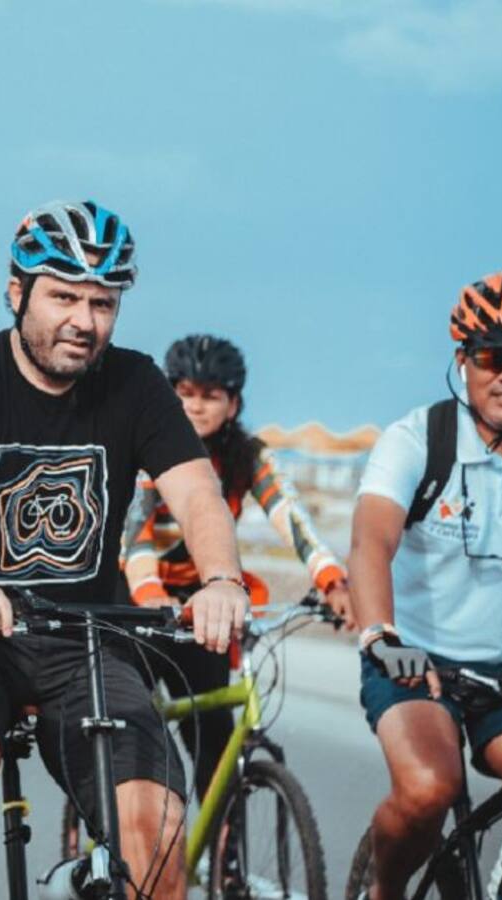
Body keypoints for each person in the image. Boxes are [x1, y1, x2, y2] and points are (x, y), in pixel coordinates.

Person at [0, 200, 250, 899]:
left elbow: (197, 491)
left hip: (86, 637)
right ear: (16, 290)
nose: (84, 321)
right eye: (63, 296)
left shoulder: (136, 381)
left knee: (156, 835)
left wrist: (222, 580)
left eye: (102, 302)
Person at [350, 271, 502, 900]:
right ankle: (384, 890)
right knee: (427, 790)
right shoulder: (418, 439)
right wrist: (383, 639)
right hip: (416, 660)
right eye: (492, 357)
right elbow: (370, 545)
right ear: (463, 361)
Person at [120, 333, 352, 801]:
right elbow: (134, 533)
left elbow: (292, 517)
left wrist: (332, 579)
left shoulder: (248, 456)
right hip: (136, 602)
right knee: (133, 735)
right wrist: (150, 595)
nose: (196, 406)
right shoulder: (147, 445)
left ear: (234, 402)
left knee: (216, 745)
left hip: (203, 604)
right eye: (184, 393)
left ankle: (223, 866)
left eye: (211, 395)